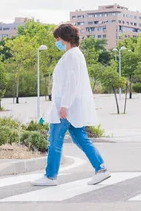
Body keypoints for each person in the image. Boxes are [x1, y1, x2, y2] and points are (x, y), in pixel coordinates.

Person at [32, 24, 111, 186]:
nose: (57, 43)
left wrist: (65, 105)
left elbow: (71, 83)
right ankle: (101, 169)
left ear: (66, 38)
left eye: (58, 39)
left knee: (54, 139)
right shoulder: (74, 55)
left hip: (66, 106)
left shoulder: (72, 56)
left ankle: (50, 176)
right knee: (80, 138)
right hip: (69, 106)